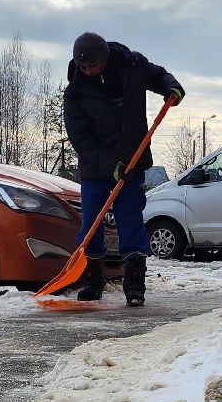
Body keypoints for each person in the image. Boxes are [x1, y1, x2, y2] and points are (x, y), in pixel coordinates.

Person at [62, 32, 183, 306]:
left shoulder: (133, 66)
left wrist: (171, 86)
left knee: (130, 220)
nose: (88, 71)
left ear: (104, 57)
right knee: (91, 226)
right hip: (97, 168)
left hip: (133, 159)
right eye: (83, 67)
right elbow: (81, 139)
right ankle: (93, 281)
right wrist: (110, 165)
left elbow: (158, 75)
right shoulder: (76, 92)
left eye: (93, 65)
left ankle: (135, 286)